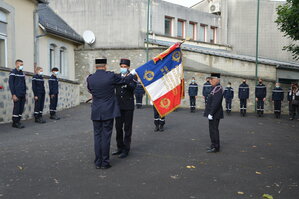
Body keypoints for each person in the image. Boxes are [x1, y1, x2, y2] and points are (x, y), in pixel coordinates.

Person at [87, 58, 135, 169]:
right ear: (106, 66)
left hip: (96, 110)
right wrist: (133, 73)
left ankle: (97, 162)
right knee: (106, 137)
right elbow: (126, 80)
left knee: (97, 137)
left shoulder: (90, 78)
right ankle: (105, 162)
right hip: (108, 110)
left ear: (95, 66)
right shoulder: (110, 76)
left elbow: (90, 90)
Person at [113, 59, 137, 159]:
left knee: (127, 128)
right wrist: (124, 80)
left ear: (128, 67)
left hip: (128, 106)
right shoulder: (117, 76)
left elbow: (132, 87)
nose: (123, 68)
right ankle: (119, 147)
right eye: (122, 66)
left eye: (125, 67)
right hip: (118, 106)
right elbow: (115, 85)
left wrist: (126, 81)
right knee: (118, 128)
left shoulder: (133, 76)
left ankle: (126, 149)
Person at [204, 73, 223, 153]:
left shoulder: (218, 88)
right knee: (211, 130)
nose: (210, 81)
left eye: (211, 79)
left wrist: (211, 113)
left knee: (214, 130)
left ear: (216, 80)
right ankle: (213, 145)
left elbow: (216, 103)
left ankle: (216, 147)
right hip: (212, 113)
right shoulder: (214, 88)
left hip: (215, 114)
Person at [9, 59, 26, 128]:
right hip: (16, 94)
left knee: (21, 109)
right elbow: (11, 84)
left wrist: (25, 93)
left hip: (22, 94)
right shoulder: (13, 72)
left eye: (22, 64)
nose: (22, 66)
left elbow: (24, 84)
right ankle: (15, 122)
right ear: (16, 64)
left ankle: (18, 121)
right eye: (21, 64)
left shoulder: (22, 73)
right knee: (17, 108)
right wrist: (13, 94)